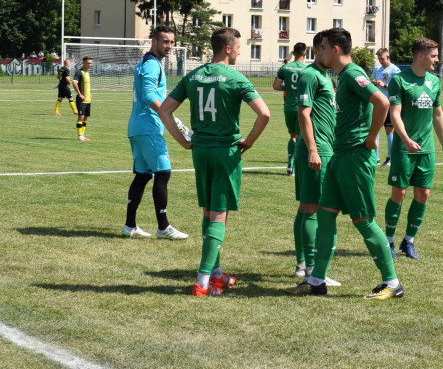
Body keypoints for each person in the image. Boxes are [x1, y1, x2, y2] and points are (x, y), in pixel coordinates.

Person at [293, 27, 403, 299]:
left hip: (355, 157)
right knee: (325, 214)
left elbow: (382, 102)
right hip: (339, 157)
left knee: (363, 221)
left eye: (324, 48)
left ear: (336, 50)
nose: (320, 52)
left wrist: (371, 137)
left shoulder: (353, 74)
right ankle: (317, 280)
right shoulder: (340, 77)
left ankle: (392, 284)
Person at [161, 27, 270, 297]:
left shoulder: (193, 76)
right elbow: (264, 114)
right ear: (229, 49)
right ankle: (203, 281)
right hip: (225, 151)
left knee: (208, 211)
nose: (241, 51)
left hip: (201, 150)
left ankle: (217, 272)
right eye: (239, 46)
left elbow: (165, 110)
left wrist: (183, 141)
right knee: (219, 214)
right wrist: (250, 141)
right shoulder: (235, 78)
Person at [383, 37, 443, 260]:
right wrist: (404, 139)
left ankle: (409, 241)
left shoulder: (435, 82)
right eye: (433, 56)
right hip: (404, 148)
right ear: (421, 56)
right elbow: (394, 114)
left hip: (426, 150)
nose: (437, 60)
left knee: (423, 194)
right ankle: (389, 241)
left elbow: (438, 114)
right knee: (399, 193)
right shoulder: (400, 81)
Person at [124, 25, 191, 241]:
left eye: (171, 42)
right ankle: (163, 227)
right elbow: (148, 94)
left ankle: (130, 226)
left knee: (143, 175)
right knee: (163, 172)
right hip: (148, 127)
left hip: (138, 126)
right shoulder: (152, 64)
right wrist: (169, 115)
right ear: (154, 41)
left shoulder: (148, 62)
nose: (169, 45)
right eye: (165, 41)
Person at [289, 31, 339, 286]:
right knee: (313, 209)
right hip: (315, 149)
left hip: (321, 147)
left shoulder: (325, 77)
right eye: (328, 48)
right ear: (318, 49)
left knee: (306, 207)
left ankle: (301, 265)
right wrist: (312, 149)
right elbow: (304, 113)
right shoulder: (310, 75)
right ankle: (311, 269)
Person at [273, 42, 308, 175]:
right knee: (300, 137)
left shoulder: (285, 68)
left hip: (288, 106)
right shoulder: (307, 69)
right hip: (301, 106)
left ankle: (289, 164)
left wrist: (286, 88)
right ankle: (296, 167)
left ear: (293, 53)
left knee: (292, 136)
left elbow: (276, 86)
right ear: (305, 53)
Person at [372, 48, 401, 165]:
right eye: (379, 59)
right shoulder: (377, 69)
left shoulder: (395, 70)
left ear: (388, 57)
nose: (380, 61)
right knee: (375, 129)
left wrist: (383, 85)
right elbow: (373, 82)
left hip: (389, 102)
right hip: (377, 103)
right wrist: (373, 83)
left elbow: (398, 87)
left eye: (382, 58)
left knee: (389, 130)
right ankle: (375, 158)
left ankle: (390, 157)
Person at [72, 56, 93, 141]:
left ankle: (83, 135)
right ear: (83, 63)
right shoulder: (79, 72)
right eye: (88, 63)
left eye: (91, 63)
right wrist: (80, 94)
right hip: (81, 100)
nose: (90, 65)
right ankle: (79, 136)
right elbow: (74, 83)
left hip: (88, 99)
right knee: (81, 116)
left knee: (86, 117)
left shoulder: (87, 73)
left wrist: (89, 93)